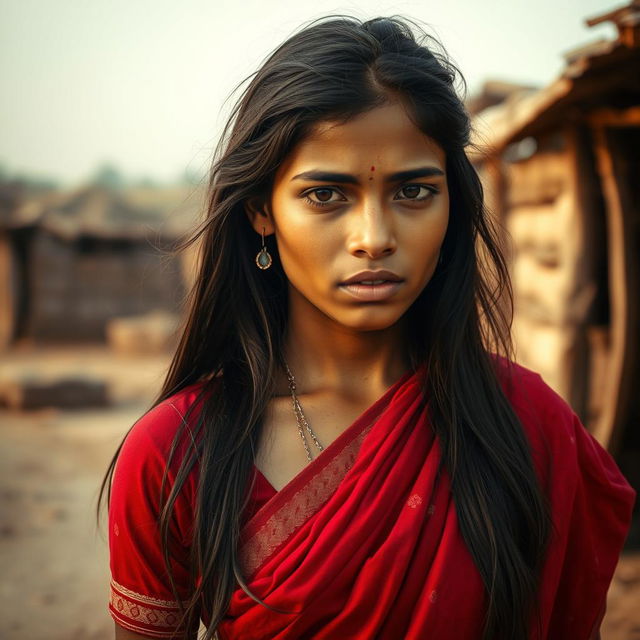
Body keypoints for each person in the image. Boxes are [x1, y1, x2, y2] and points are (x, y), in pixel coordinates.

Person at [98, 14, 636, 640]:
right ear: (259, 211)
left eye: (414, 192)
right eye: (326, 195)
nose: (375, 239)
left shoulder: (529, 424)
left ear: (452, 205)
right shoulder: (178, 452)